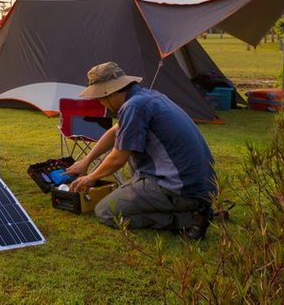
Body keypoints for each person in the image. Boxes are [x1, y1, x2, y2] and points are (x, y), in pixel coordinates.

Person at [65, 62, 216, 240]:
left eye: (99, 97)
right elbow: (116, 132)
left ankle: (188, 219)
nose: (100, 102)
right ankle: (191, 208)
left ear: (110, 92)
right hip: (202, 186)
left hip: (179, 188)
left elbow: (117, 159)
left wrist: (91, 177)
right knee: (130, 151)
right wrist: (86, 161)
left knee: (106, 212)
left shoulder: (133, 107)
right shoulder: (147, 97)